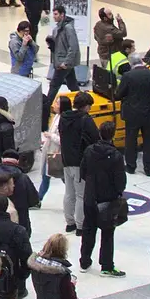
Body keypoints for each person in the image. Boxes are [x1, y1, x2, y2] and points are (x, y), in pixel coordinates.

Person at [80, 121, 126, 276]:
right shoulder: (116, 156)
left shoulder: (89, 150)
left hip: (90, 196)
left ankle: (84, 261)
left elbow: (83, 170)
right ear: (113, 135)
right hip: (107, 198)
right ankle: (106, 266)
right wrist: (119, 192)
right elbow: (120, 180)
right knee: (107, 233)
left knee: (88, 230)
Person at [55, 94, 99, 235]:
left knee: (69, 192)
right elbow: (95, 139)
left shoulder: (64, 117)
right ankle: (80, 226)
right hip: (80, 162)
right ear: (86, 106)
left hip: (66, 160)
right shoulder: (85, 120)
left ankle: (70, 223)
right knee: (81, 195)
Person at [118, 52, 150, 176]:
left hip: (132, 114)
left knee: (131, 141)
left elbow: (119, 94)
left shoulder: (128, 76)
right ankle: (149, 169)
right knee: (148, 142)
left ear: (131, 63)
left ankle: (131, 166)